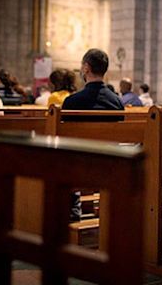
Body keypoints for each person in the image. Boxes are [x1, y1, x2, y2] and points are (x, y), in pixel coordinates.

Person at [62, 49, 124, 221]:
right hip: (109, 164)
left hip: (80, 167)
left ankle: (72, 212)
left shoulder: (72, 102)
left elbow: (65, 139)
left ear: (86, 68)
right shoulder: (117, 102)